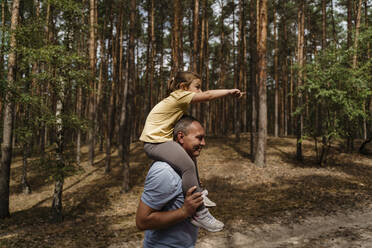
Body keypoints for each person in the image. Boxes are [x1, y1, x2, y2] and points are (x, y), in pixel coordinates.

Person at [140, 71, 243, 231]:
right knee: (187, 165)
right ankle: (200, 213)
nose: (200, 92)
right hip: (154, 143)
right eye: (197, 87)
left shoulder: (176, 101)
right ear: (183, 87)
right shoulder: (179, 96)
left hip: (159, 141)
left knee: (189, 156)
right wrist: (229, 92)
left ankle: (198, 192)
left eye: (201, 88)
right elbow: (208, 96)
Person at [136, 116, 212, 247]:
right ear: (181, 137)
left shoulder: (186, 168)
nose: (203, 143)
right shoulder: (164, 171)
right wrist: (184, 211)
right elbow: (142, 221)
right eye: (199, 138)